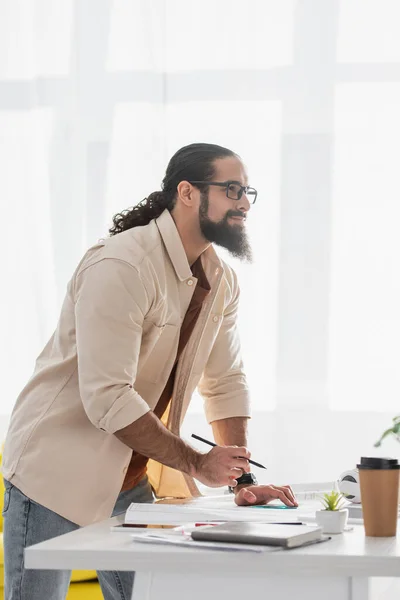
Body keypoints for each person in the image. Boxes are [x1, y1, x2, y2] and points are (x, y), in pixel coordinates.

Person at [1, 142, 297, 600]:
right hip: (55, 473)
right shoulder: (122, 264)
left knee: (151, 594)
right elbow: (108, 396)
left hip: (132, 472)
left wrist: (241, 478)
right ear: (188, 192)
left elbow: (225, 381)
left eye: (247, 192)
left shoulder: (221, 280)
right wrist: (198, 462)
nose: (243, 203)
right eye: (232, 189)